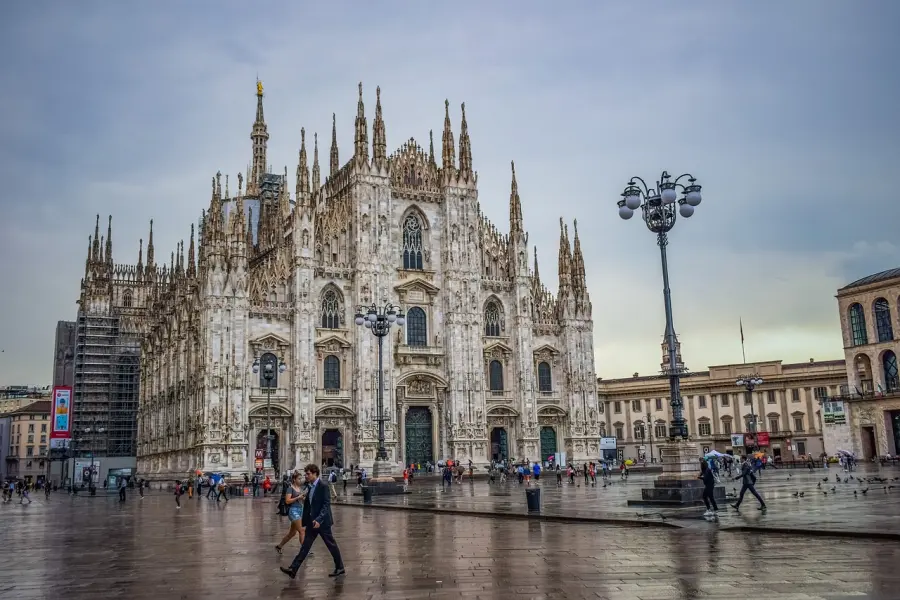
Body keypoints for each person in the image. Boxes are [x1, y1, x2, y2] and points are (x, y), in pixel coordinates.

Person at [280, 463, 345, 579]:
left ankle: (340, 567)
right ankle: (293, 569)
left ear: (315, 474)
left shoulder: (323, 486)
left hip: (322, 522)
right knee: (305, 546)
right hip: (312, 522)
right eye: (306, 474)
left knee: (331, 544)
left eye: (308, 474)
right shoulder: (309, 486)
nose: (306, 476)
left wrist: (319, 519)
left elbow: (326, 505)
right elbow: (310, 505)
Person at [276, 471, 307, 555]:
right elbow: (287, 501)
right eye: (299, 479)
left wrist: (303, 499)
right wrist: (298, 497)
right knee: (302, 530)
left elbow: (301, 500)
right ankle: (304, 550)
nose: (300, 480)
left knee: (292, 533)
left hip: (301, 510)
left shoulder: (300, 489)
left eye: (301, 479)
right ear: (294, 479)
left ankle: (279, 546)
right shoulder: (290, 488)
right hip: (293, 510)